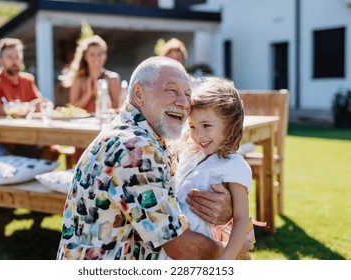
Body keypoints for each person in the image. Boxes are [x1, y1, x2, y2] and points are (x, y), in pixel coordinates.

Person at [56, 56, 252, 260]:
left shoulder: (149, 135)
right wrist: (235, 253)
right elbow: (181, 247)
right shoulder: (135, 148)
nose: (185, 103)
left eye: (187, 94)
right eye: (172, 90)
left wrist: (226, 208)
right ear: (139, 94)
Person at [159, 77, 253, 260]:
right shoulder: (190, 154)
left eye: (207, 126)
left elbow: (242, 218)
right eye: (193, 126)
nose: (198, 135)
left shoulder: (234, 165)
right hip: (171, 244)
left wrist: (225, 258)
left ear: (230, 125)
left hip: (197, 250)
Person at [0, 37, 46, 159]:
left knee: (49, 147)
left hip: (21, 137)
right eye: (9, 57)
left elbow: (40, 103)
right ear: (0, 60)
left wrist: (29, 106)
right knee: (7, 161)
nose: (14, 61)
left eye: (17, 56)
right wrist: (26, 107)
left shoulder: (27, 79)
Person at [60, 35, 121, 113]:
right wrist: (88, 94)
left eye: (100, 54)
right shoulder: (79, 79)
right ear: (85, 57)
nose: (96, 58)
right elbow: (73, 107)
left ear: (105, 56)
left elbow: (118, 107)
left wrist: (98, 95)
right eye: (92, 54)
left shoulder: (113, 79)